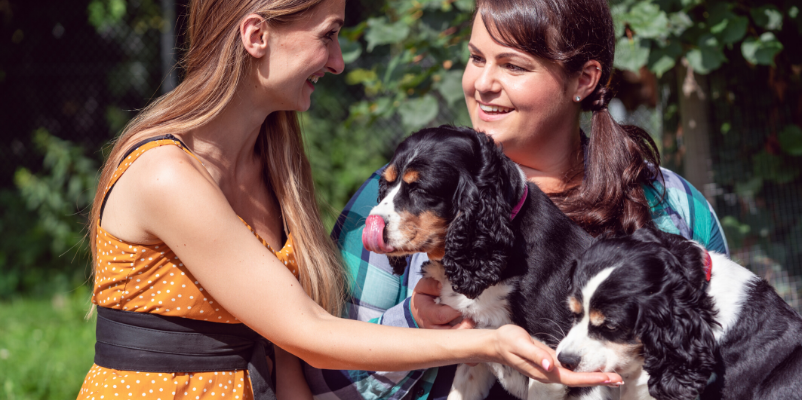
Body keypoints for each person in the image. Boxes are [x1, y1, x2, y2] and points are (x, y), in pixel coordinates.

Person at [76, 1, 621, 400]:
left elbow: (282, 352)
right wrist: (487, 343)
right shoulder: (166, 175)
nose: (337, 61)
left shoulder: (274, 169)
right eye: (329, 35)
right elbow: (308, 333)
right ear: (256, 35)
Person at [303, 0, 730, 398]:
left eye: (513, 65)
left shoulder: (670, 203)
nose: (483, 84)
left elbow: (724, 365)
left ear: (584, 79)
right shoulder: (396, 200)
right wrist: (414, 329)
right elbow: (325, 384)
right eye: (476, 58)